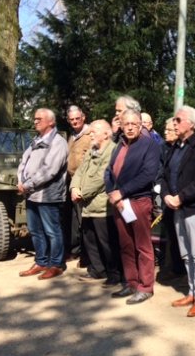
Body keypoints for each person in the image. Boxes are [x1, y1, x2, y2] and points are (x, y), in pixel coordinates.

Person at [161, 105, 195, 317]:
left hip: (193, 208)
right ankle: (192, 292)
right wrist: (166, 195)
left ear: (191, 124)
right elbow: (164, 174)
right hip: (176, 207)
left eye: (178, 120)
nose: (174, 123)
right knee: (185, 253)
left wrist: (181, 197)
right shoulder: (176, 147)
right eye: (174, 120)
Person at [105, 109, 160, 305]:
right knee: (126, 245)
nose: (129, 127)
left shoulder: (150, 145)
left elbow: (147, 175)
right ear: (120, 125)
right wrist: (112, 192)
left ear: (140, 126)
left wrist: (123, 192)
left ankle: (145, 287)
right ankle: (131, 282)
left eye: (134, 124)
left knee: (142, 246)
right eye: (126, 124)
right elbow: (109, 172)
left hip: (138, 201)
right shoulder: (119, 145)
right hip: (119, 203)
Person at [17, 108, 69, 280]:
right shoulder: (36, 140)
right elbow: (24, 161)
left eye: (39, 118)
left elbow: (49, 171)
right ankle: (41, 262)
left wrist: (27, 184)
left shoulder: (58, 143)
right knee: (35, 230)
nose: (35, 121)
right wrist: (20, 180)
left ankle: (56, 264)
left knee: (52, 231)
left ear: (51, 122)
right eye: (35, 118)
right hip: (32, 194)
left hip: (48, 195)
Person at [70, 120, 122, 287]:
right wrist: (73, 188)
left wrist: (82, 193)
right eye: (90, 131)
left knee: (107, 243)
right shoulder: (92, 150)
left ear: (106, 134)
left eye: (94, 132)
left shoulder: (112, 151)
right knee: (90, 240)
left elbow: (102, 177)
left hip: (102, 207)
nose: (90, 134)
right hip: (86, 205)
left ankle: (114, 275)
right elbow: (79, 171)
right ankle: (97, 270)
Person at [153, 117, 185, 279]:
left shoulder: (183, 149)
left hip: (182, 198)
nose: (165, 133)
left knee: (182, 234)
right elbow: (160, 170)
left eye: (169, 130)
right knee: (170, 232)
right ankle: (174, 267)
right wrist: (160, 186)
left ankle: (183, 267)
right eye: (165, 130)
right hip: (165, 197)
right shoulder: (163, 147)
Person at [65, 105, 91, 261]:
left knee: (84, 220)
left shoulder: (89, 135)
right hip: (71, 182)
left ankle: (86, 255)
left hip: (84, 183)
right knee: (75, 219)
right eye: (72, 119)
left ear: (83, 117)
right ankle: (75, 250)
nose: (75, 122)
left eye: (77, 118)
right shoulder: (72, 136)